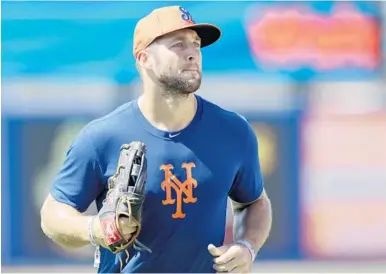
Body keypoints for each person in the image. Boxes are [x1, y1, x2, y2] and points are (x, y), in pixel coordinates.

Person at [40, 5, 272, 273]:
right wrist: (95, 228)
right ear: (143, 59)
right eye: (178, 44)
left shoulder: (233, 131)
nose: (192, 54)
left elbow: (254, 202)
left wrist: (247, 245)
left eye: (196, 45)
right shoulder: (103, 136)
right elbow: (52, 215)